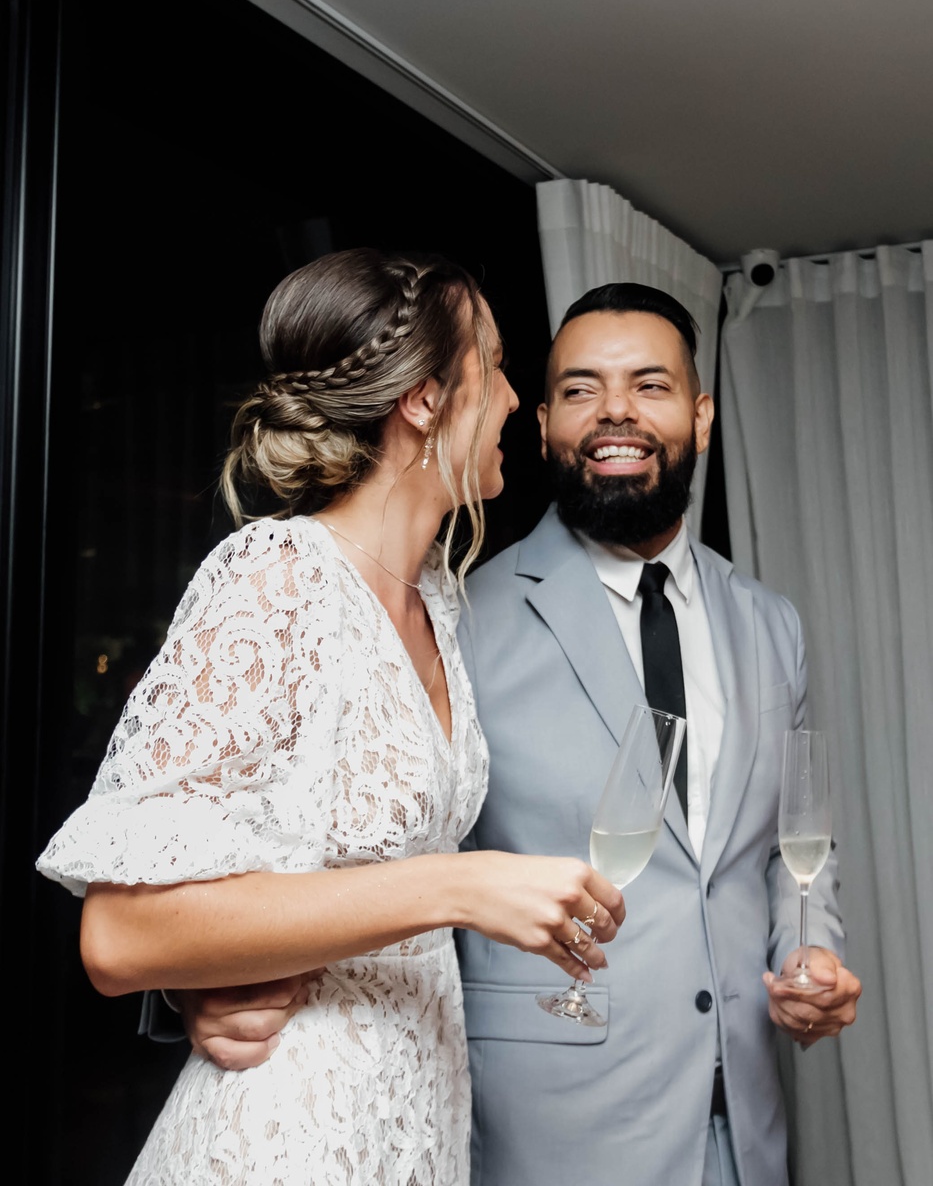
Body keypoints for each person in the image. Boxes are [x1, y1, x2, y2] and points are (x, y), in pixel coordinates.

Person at [182, 281, 862, 1186]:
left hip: (745, 1119)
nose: (614, 411)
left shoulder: (771, 624)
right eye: (580, 389)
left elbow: (788, 847)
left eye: (649, 385)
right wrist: (208, 983)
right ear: (541, 426)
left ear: (700, 418)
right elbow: (345, 846)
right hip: (547, 1129)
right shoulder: (454, 616)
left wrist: (811, 949)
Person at [36, 248, 624, 1186]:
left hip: (412, 1125)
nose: (515, 400)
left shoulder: (437, 600)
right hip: (287, 1133)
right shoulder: (277, 576)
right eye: (495, 366)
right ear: (423, 400)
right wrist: (458, 885)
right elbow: (119, 936)